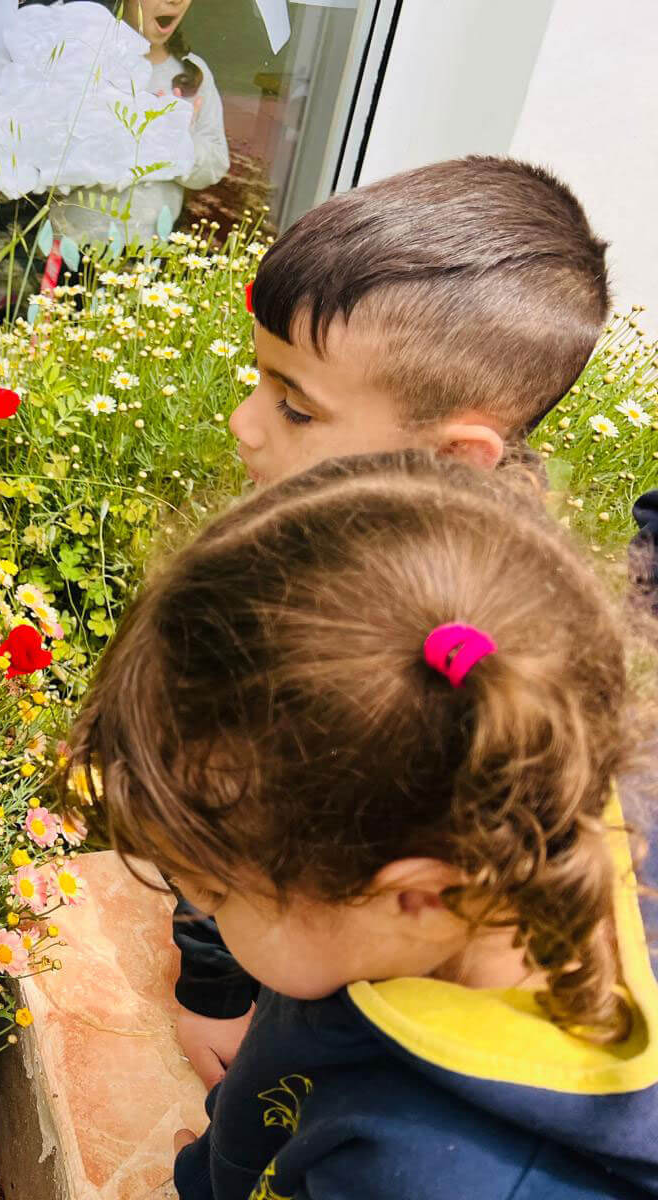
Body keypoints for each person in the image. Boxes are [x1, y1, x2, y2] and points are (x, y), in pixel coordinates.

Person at [71, 452, 658, 1199]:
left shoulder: (427, 1177)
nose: (202, 912)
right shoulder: (460, 830)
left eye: (216, 895)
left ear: (416, 898)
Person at [171, 156, 613, 1088]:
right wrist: (216, 989)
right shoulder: (295, 554)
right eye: (261, 379)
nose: (246, 424)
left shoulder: (506, 622)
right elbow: (216, 815)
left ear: (456, 456)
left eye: (294, 404)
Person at [49, 0, 228, 247]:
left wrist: (177, 144)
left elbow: (216, 162)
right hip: (73, 248)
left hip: (149, 254)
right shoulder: (84, 62)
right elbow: (48, 157)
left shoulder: (193, 74)